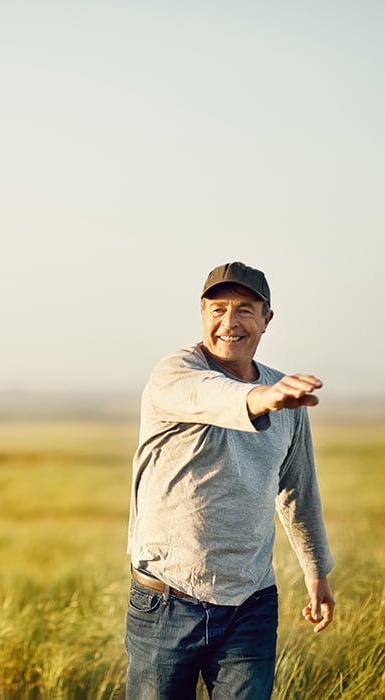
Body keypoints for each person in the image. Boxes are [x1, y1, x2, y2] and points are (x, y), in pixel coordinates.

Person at [124, 261, 335, 699]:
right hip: (167, 599)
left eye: (244, 309)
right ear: (202, 313)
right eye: (217, 309)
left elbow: (297, 489)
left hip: (251, 605)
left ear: (266, 320)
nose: (229, 323)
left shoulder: (284, 394)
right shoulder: (175, 374)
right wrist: (262, 397)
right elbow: (213, 395)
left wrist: (317, 574)